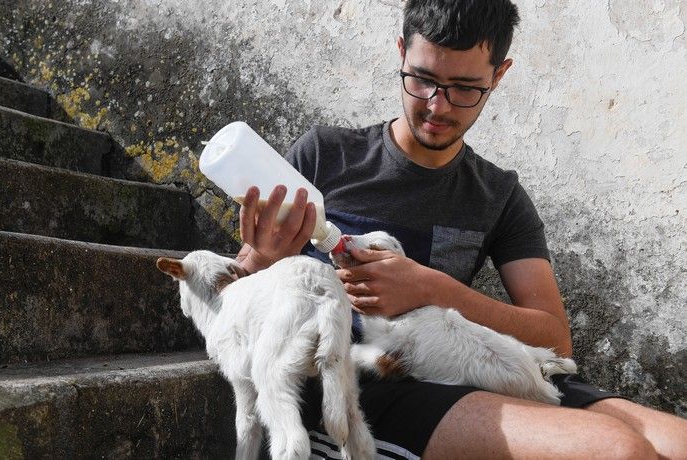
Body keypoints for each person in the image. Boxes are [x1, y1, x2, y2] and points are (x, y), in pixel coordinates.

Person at [235, 0, 687, 458]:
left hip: (469, 369)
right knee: (617, 450)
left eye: (465, 88)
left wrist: (432, 288)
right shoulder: (324, 155)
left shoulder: (500, 194)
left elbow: (553, 337)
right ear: (401, 53)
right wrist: (260, 259)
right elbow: (226, 306)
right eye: (423, 79)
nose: (438, 105)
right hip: (362, 382)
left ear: (499, 75)